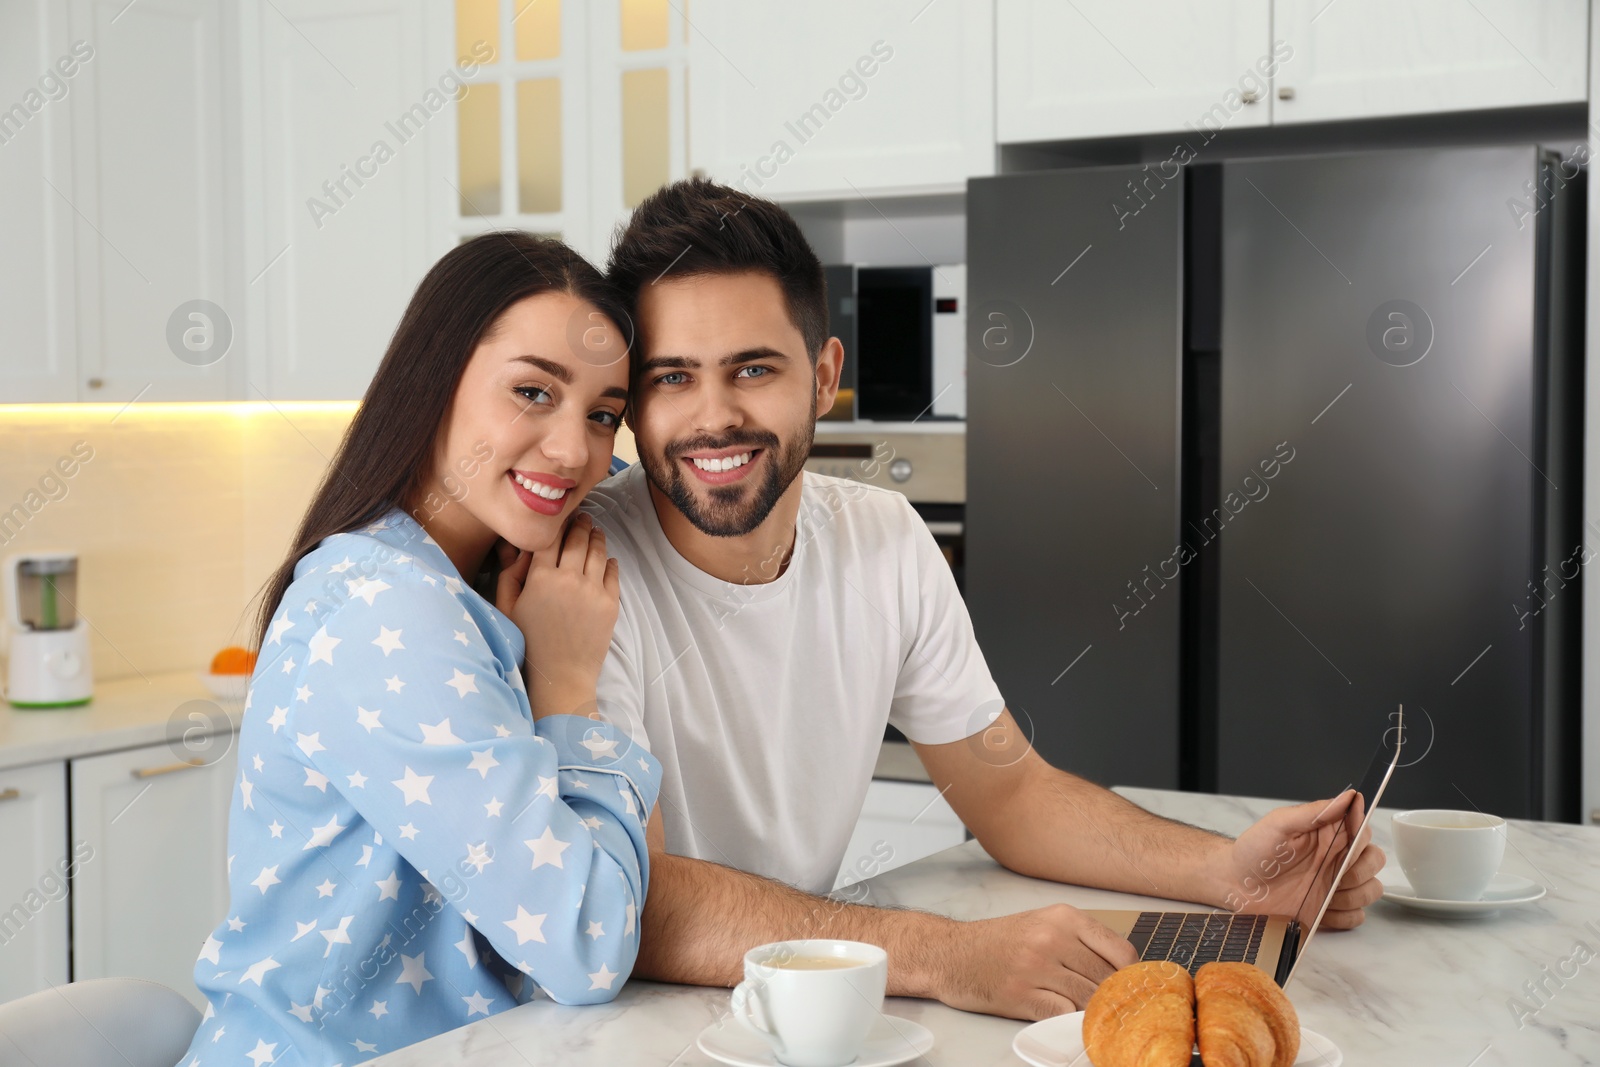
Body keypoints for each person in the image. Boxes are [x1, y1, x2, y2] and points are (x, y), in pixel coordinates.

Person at [583, 178, 1386, 1022]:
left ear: (823, 377)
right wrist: (947, 954)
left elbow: (1009, 792)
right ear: (634, 398)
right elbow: (638, 898)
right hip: (627, 1026)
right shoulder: (585, 569)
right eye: (672, 377)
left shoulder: (883, 537)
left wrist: (1233, 873)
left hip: (805, 1012)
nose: (713, 417)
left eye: (753, 368)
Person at [181, 233, 660, 1066]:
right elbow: (586, 941)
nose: (575, 450)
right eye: (532, 391)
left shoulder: (459, 587)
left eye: (602, 414)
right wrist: (570, 689)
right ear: (432, 378)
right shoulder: (384, 609)